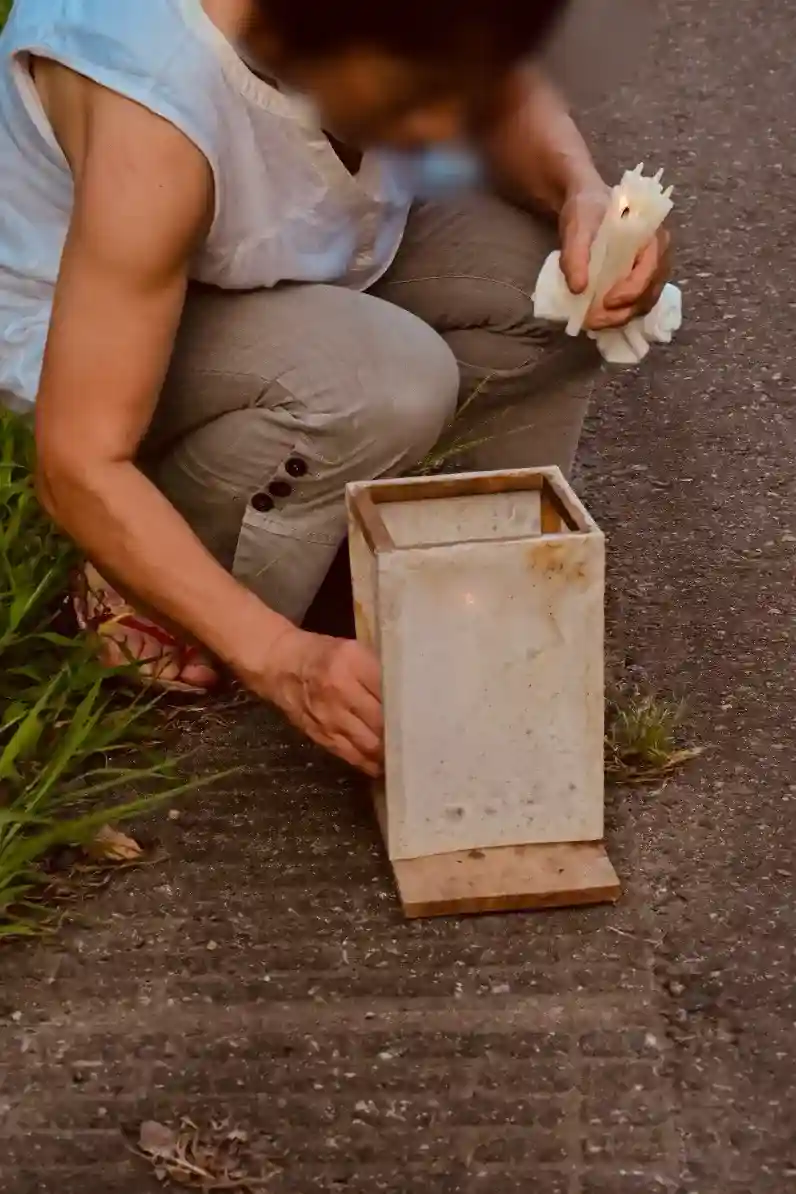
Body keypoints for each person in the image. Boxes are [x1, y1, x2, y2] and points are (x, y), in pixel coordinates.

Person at [0, 0, 670, 776]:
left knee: (551, 288)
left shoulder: (357, 34)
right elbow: (78, 463)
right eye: (413, 93)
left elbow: (496, 83)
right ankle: (142, 589)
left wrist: (580, 193)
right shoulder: (150, 117)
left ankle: (461, 590)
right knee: (380, 382)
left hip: (282, 247)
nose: (449, 126)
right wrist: (280, 658)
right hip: (95, 343)